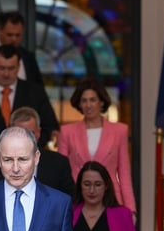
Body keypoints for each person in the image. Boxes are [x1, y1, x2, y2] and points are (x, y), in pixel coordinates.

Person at [58, 77, 137, 214]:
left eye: (93, 100)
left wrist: (131, 209)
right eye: (84, 100)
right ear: (79, 104)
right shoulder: (67, 132)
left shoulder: (120, 131)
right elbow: (61, 173)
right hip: (77, 200)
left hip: (110, 198)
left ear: (101, 102)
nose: (88, 105)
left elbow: (124, 173)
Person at [0, 44, 59, 147]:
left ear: (18, 67)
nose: (6, 74)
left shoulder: (35, 92)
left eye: (11, 68)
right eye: (1, 68)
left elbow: (49, 127)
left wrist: (29, 146)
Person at [0, 106, 74, 194]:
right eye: (20, 133)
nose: (25, 139)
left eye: (30, 133)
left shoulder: (59, 163)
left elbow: (68, 198)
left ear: (39, 132)